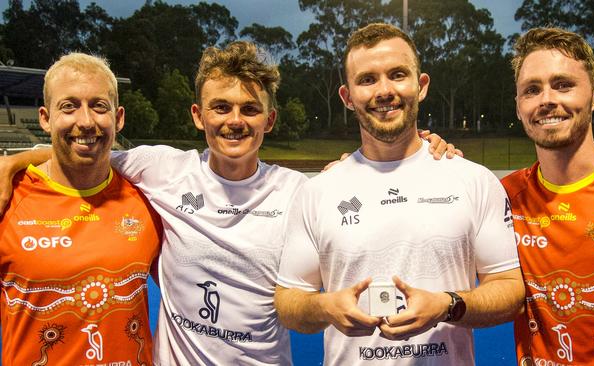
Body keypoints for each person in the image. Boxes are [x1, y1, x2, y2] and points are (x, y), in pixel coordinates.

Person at [0, 41, 457, 364]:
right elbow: (86, 144)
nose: (234, 121)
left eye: (249, 110)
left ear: (269, 120)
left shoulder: (302, 191)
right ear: (198, 116)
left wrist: (427, 147)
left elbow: (374, 176)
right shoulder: (161, 169)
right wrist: (14, 161)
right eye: (221, 107)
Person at [274, 23, 524, 365]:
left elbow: (510, 289)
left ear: (420, 86)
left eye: (397, 74)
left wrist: (447, 305)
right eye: (367, 80)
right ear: (347, 97)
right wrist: (324, 306)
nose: (384, 90)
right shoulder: (318, 192)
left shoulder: (473, 181)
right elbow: (289, 303)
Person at [0, 53, 162, 364]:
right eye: (69, 106)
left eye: (99, 106)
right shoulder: (8, 197)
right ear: (45, 118)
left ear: (118, 118)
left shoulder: (148, 198)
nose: (85, 121)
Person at [502, 27, 594, 365]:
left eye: (563, 85)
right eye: (532, 89)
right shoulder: (503, 196)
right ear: (518, 105)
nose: (547, 99)